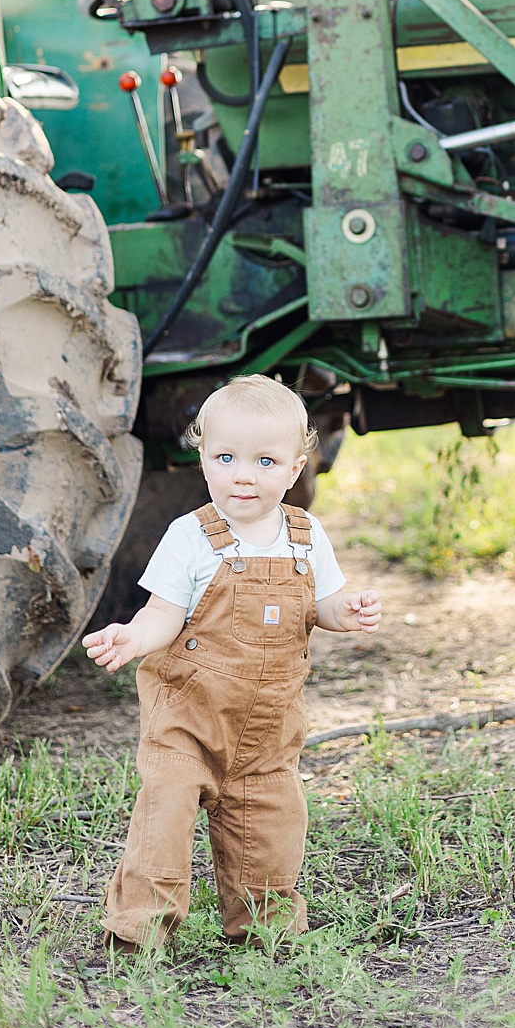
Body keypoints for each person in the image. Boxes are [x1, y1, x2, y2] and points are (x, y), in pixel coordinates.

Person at [82, 373, 381, 949]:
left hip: (269, 730)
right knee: (164, 820)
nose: (243, 475)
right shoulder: (190, 537)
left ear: (295, 469)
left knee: (269, 829)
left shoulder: (306, 537)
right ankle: (140, 929)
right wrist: (134, 637)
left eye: (265, 461)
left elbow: (322, 604)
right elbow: (164, 613)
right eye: (226, 457)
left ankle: (264, 927)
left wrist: (347, 611)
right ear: (203, 460)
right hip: (189, 721)